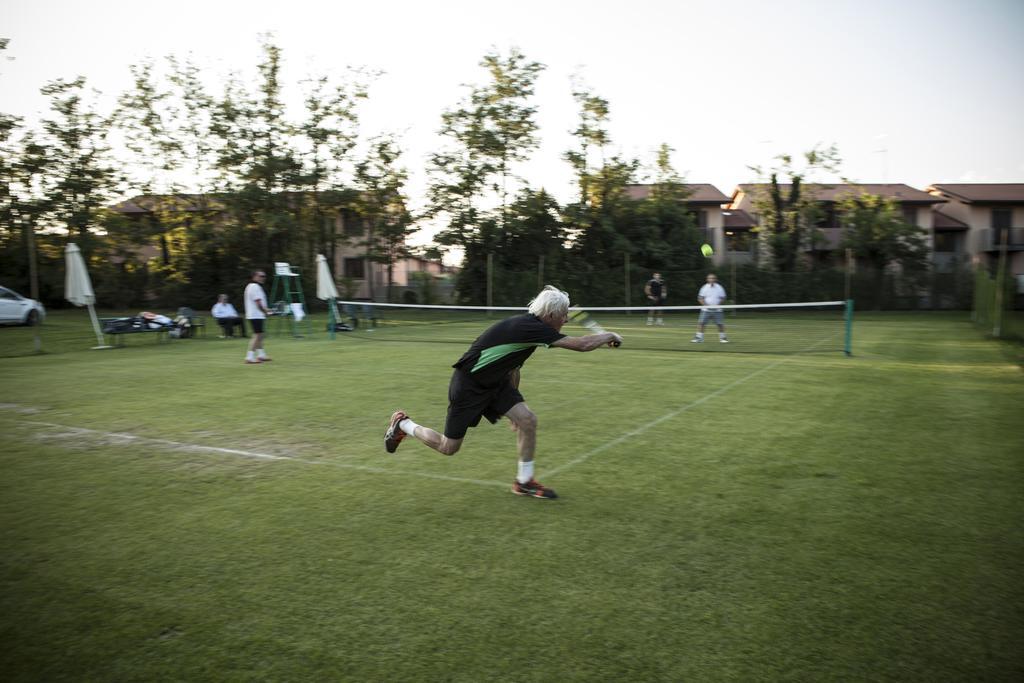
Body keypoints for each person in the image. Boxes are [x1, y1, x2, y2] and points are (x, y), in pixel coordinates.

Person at [383, 285, 623, 499]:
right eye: (563, 315)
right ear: (550, 315)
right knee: (449, 447)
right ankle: (403, 425)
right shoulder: (532, 328)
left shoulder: (531, 329)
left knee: (527, 420)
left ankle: (524, 482)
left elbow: (513, 368)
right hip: (469, 385)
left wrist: (513, 410)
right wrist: (609, 336)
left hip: (496, 383)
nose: (566, 320)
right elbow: (581, 345)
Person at [243, 270, 273, 364]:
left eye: (264, 276)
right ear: (254, 277)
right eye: (261, 276)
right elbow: (258, 303)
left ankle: (261, 355)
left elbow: (259, 303)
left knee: (260, 335)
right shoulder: (255, 287)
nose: (263, 278)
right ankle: (249, 357)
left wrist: (265, 310)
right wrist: (266, 311)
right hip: (256, 315)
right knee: (257, 335)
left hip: (255, 315)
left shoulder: (252, 286)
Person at [692, 273, 729, 343]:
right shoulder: (704, 287)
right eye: (710, 278)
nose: (711, 279)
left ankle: (723, 338)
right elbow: (700, 298)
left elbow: (723, 298)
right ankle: (699, 338)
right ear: (707, 279)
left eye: (713, 278)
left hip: (717, 310)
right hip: (705, 310)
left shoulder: (720, 287)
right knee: (701, 323)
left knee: (720, 324)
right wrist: (707, 306)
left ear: (716, 279)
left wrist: (717, 305)